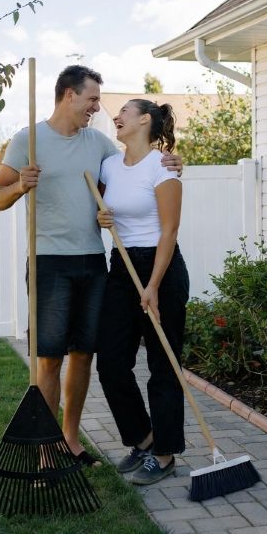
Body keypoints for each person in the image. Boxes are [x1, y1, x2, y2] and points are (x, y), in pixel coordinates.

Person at [0, 66, 183, 466]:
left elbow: (137, 167)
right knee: (49, 359)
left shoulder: (98, 145)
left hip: (96, 263)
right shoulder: (28, 139)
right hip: (49, 261)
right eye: (92, 99)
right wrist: (20, 185)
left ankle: (71, 441)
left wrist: (174, 162)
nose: (97, 108)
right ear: (68, 95)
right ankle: (45, 450)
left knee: (84, 356)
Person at [96, 99, 189, 485]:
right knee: (111, 362)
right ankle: (144, 438)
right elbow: (100, 211)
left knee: (163, 365)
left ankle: (165, 455)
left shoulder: (163, 166)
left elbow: (169, 230)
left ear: (145, 120)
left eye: (124, 113)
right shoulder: (108, 166)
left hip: (161, 271)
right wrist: (100, 218)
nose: (116, 118)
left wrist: (152, 286)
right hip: (121, 267)